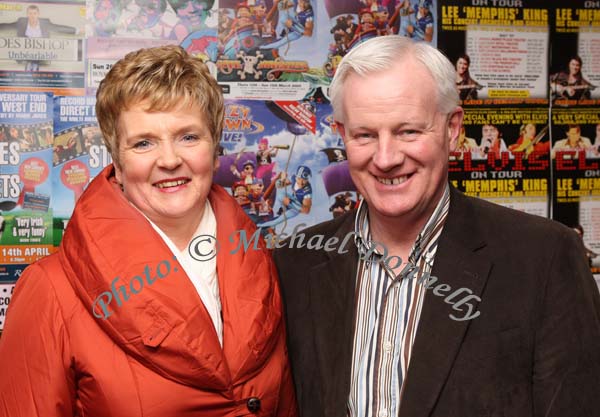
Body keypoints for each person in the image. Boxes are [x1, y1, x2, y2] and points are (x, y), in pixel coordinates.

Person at [273, 35, 600, 417]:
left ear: (452, 128)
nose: (386, 157)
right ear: (342, 134)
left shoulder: (544, 258)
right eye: (365, 135)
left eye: (408, 131)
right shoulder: (294, 263)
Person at [0, 45, 297, 417]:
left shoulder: (260, 261)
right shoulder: (50, 290)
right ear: (118, 163)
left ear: (214, 149)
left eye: (188, 136)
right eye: (143, 143)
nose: (170, 160)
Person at [0, 4, 78, 71]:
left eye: (34, 13)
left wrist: (75, 30)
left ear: (38, 14)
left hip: (41, 52)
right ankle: (31, 64)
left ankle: (34, 65)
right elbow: (8, 25)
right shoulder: (21, 22)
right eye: (30, 13)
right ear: (27, 14)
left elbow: (58, 28)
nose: (32, 16)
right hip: (25, 52)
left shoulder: (45, 23)